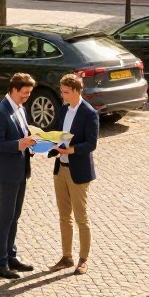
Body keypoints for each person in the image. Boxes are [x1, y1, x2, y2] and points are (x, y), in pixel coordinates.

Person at [48, 73, 99, 275]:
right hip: (60, 169)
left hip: (79, 171)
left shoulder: (89, 113)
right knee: (64, 216)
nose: (62, 95)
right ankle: (66, 257)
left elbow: (91, 144)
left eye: (66, 92)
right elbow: (57, 134)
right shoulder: (63, 110)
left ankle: (83, 259)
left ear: (77, 91)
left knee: (81, 217)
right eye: (61, 91)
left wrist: (71, 150)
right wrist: (45, 144)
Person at [0, 73, 37, 279]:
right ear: (14, 90)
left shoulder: (20, 108)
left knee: (14, 217)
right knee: (5, 217)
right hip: (7, 173)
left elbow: (23, 135)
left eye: (29, 93)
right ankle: (0, 264)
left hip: (20, 170)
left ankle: (11, 256)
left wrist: (31, 144)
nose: (27, 97)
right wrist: (20, 144)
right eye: (25, 93)